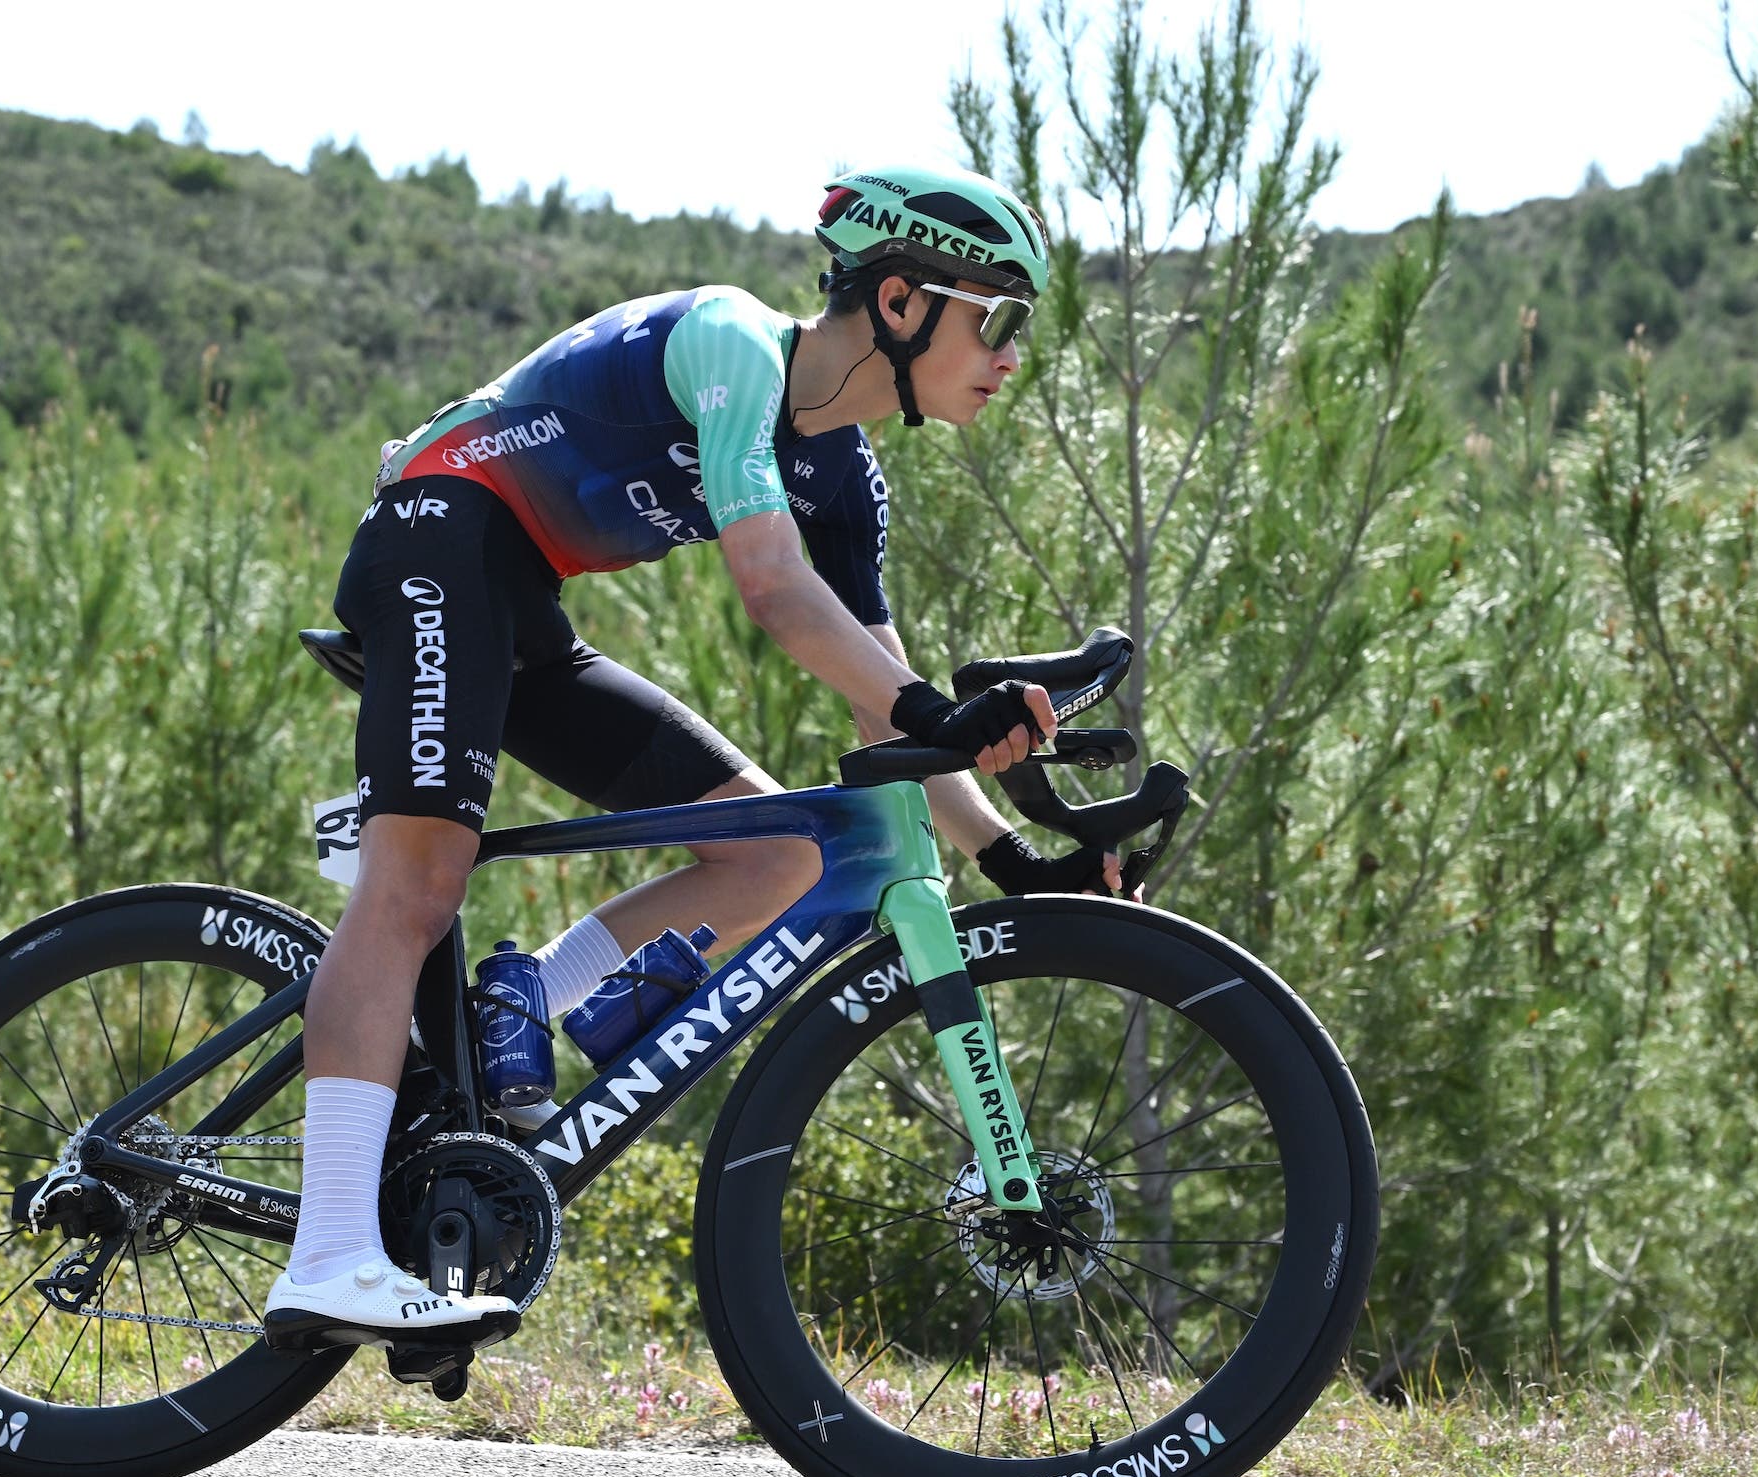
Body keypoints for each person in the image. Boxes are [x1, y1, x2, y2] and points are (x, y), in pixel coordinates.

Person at [263, 161, 1127, 1343]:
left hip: (519, 606)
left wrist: (1017, 859)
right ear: (903, 303)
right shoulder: (734, 343)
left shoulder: (845, 481)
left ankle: (527, 994)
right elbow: (773, 589)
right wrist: (938, 712)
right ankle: (327, 1254)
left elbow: (888, 705)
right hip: (435, 533)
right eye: (999, 320)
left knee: (776, 853)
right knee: (416, 883)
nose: (1012, 355)